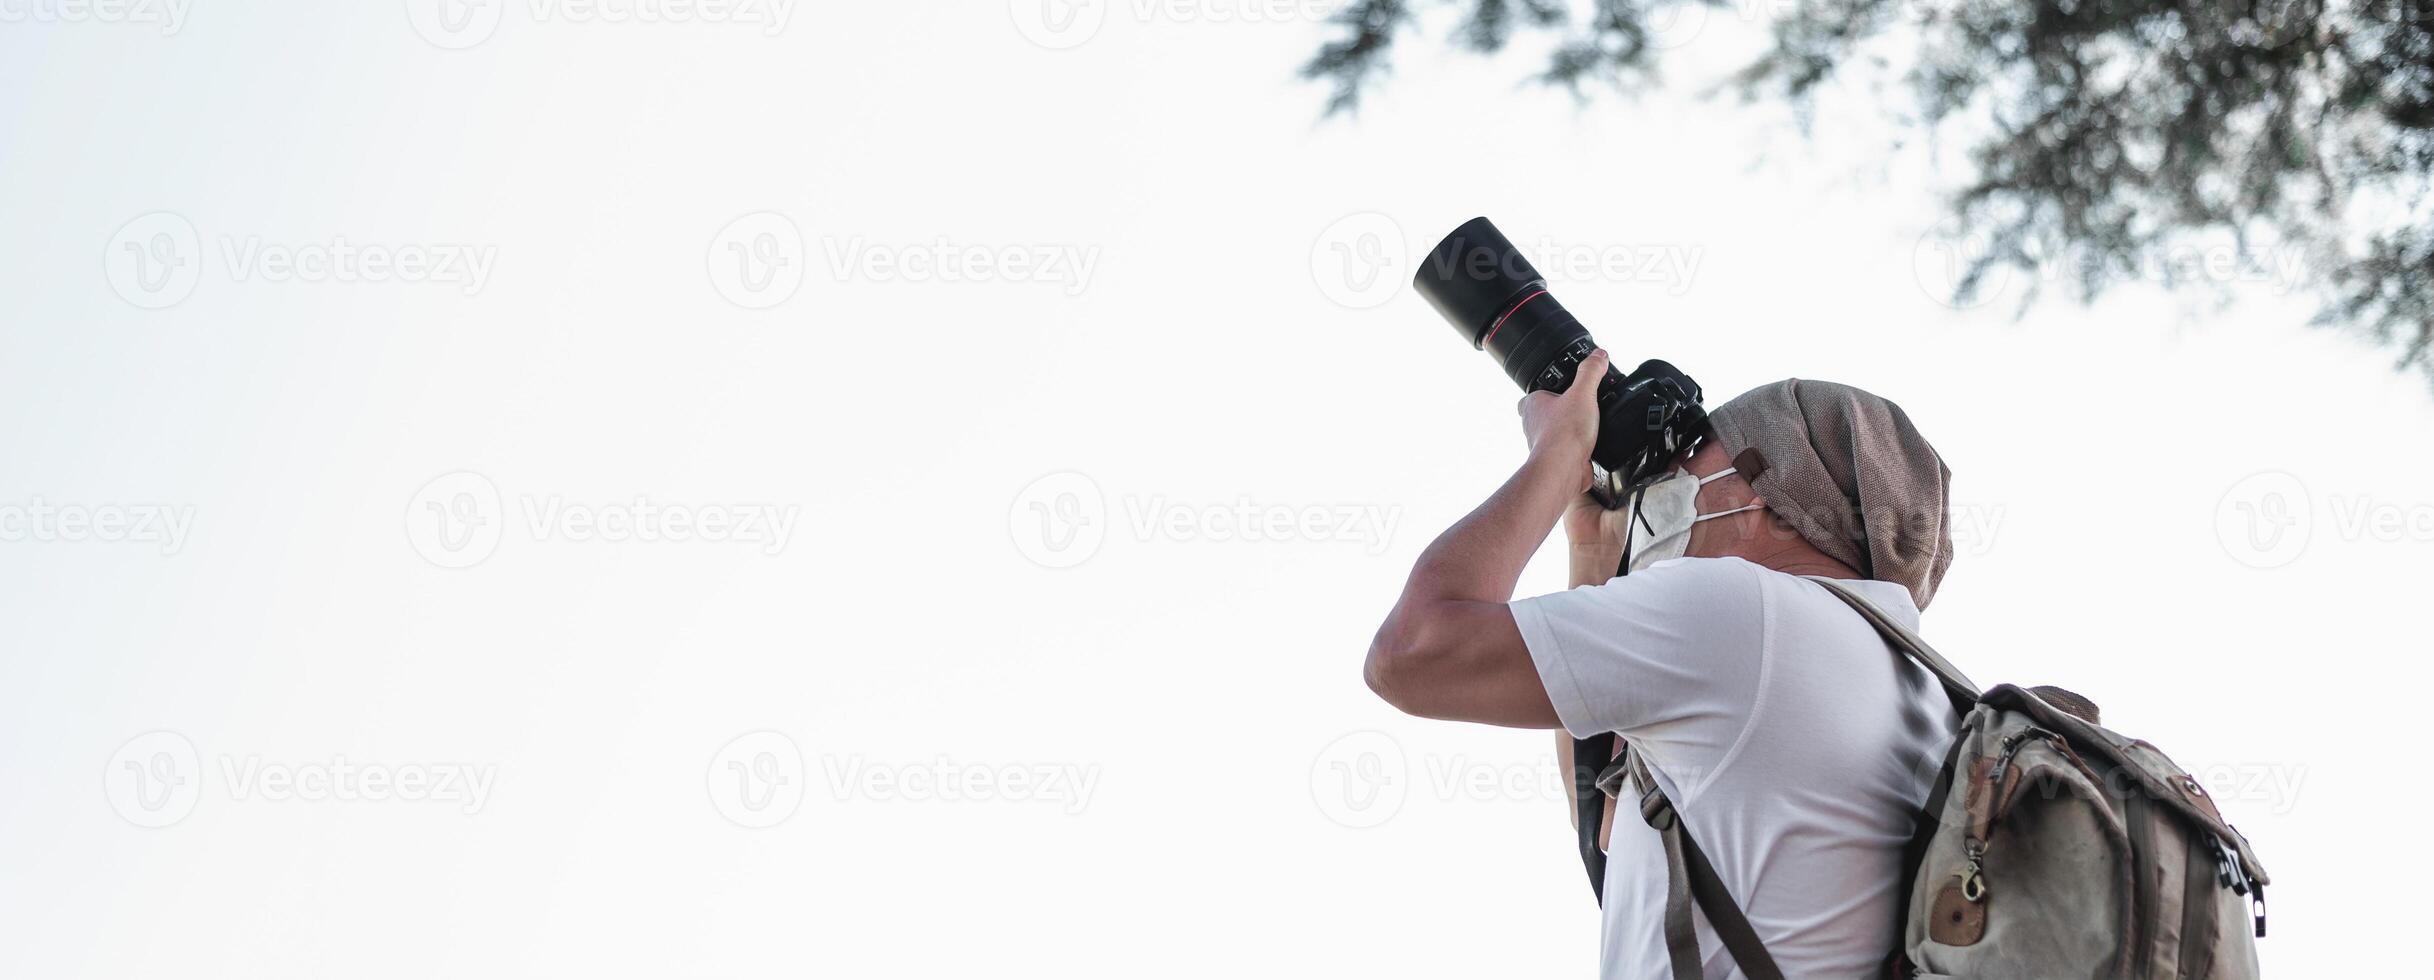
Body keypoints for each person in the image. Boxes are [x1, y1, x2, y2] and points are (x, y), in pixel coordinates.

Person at [1363, 349, 1961, 978]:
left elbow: (1412, 653)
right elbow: (1617, 841)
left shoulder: (1746, 616)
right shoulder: (1919, 687)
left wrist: (1558, 457)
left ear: (1767, 496)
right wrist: (1593, 556)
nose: (1669, 493)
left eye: (1688, 467)